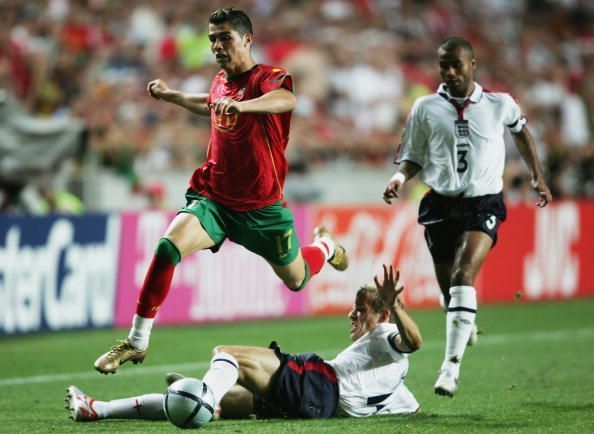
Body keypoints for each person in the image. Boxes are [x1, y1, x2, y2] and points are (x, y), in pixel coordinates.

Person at [94, 8, 348, 375]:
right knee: (168, 246)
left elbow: (286, 101)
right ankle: (136, 340)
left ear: (247, 39)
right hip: (214, 198)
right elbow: (209, 103)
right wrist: (171, 95)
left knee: (295, 280)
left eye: (224, 37)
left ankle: (324, 245)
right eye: (212, 38)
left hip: (262, 208)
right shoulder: (219, 81)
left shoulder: (269, 78)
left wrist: (244, 106)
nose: (216, 45)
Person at [382, 36, 552, 397]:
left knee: (463, 275)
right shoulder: (425, 107)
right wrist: (398, 178)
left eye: (456, 64)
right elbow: (412, 155)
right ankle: (463, 319)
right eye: (444, 65)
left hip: (482, 203)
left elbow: (522, 133)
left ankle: (450, 368)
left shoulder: (498, 103)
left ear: (472, 65)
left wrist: (536, 173)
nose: (450, 71)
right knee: (450, 293)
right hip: (440, 205)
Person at [67, 265, 422, 423]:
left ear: (384, 315)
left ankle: (205, 390)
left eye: (360, 311)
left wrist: (398, 304)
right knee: (202, 403)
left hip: (319, 384)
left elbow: (413, 341)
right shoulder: (395, 380)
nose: (351, 315)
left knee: (225, 353)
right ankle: (99, 409)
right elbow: (412, 408)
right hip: (316, 406)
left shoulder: (385, 337)